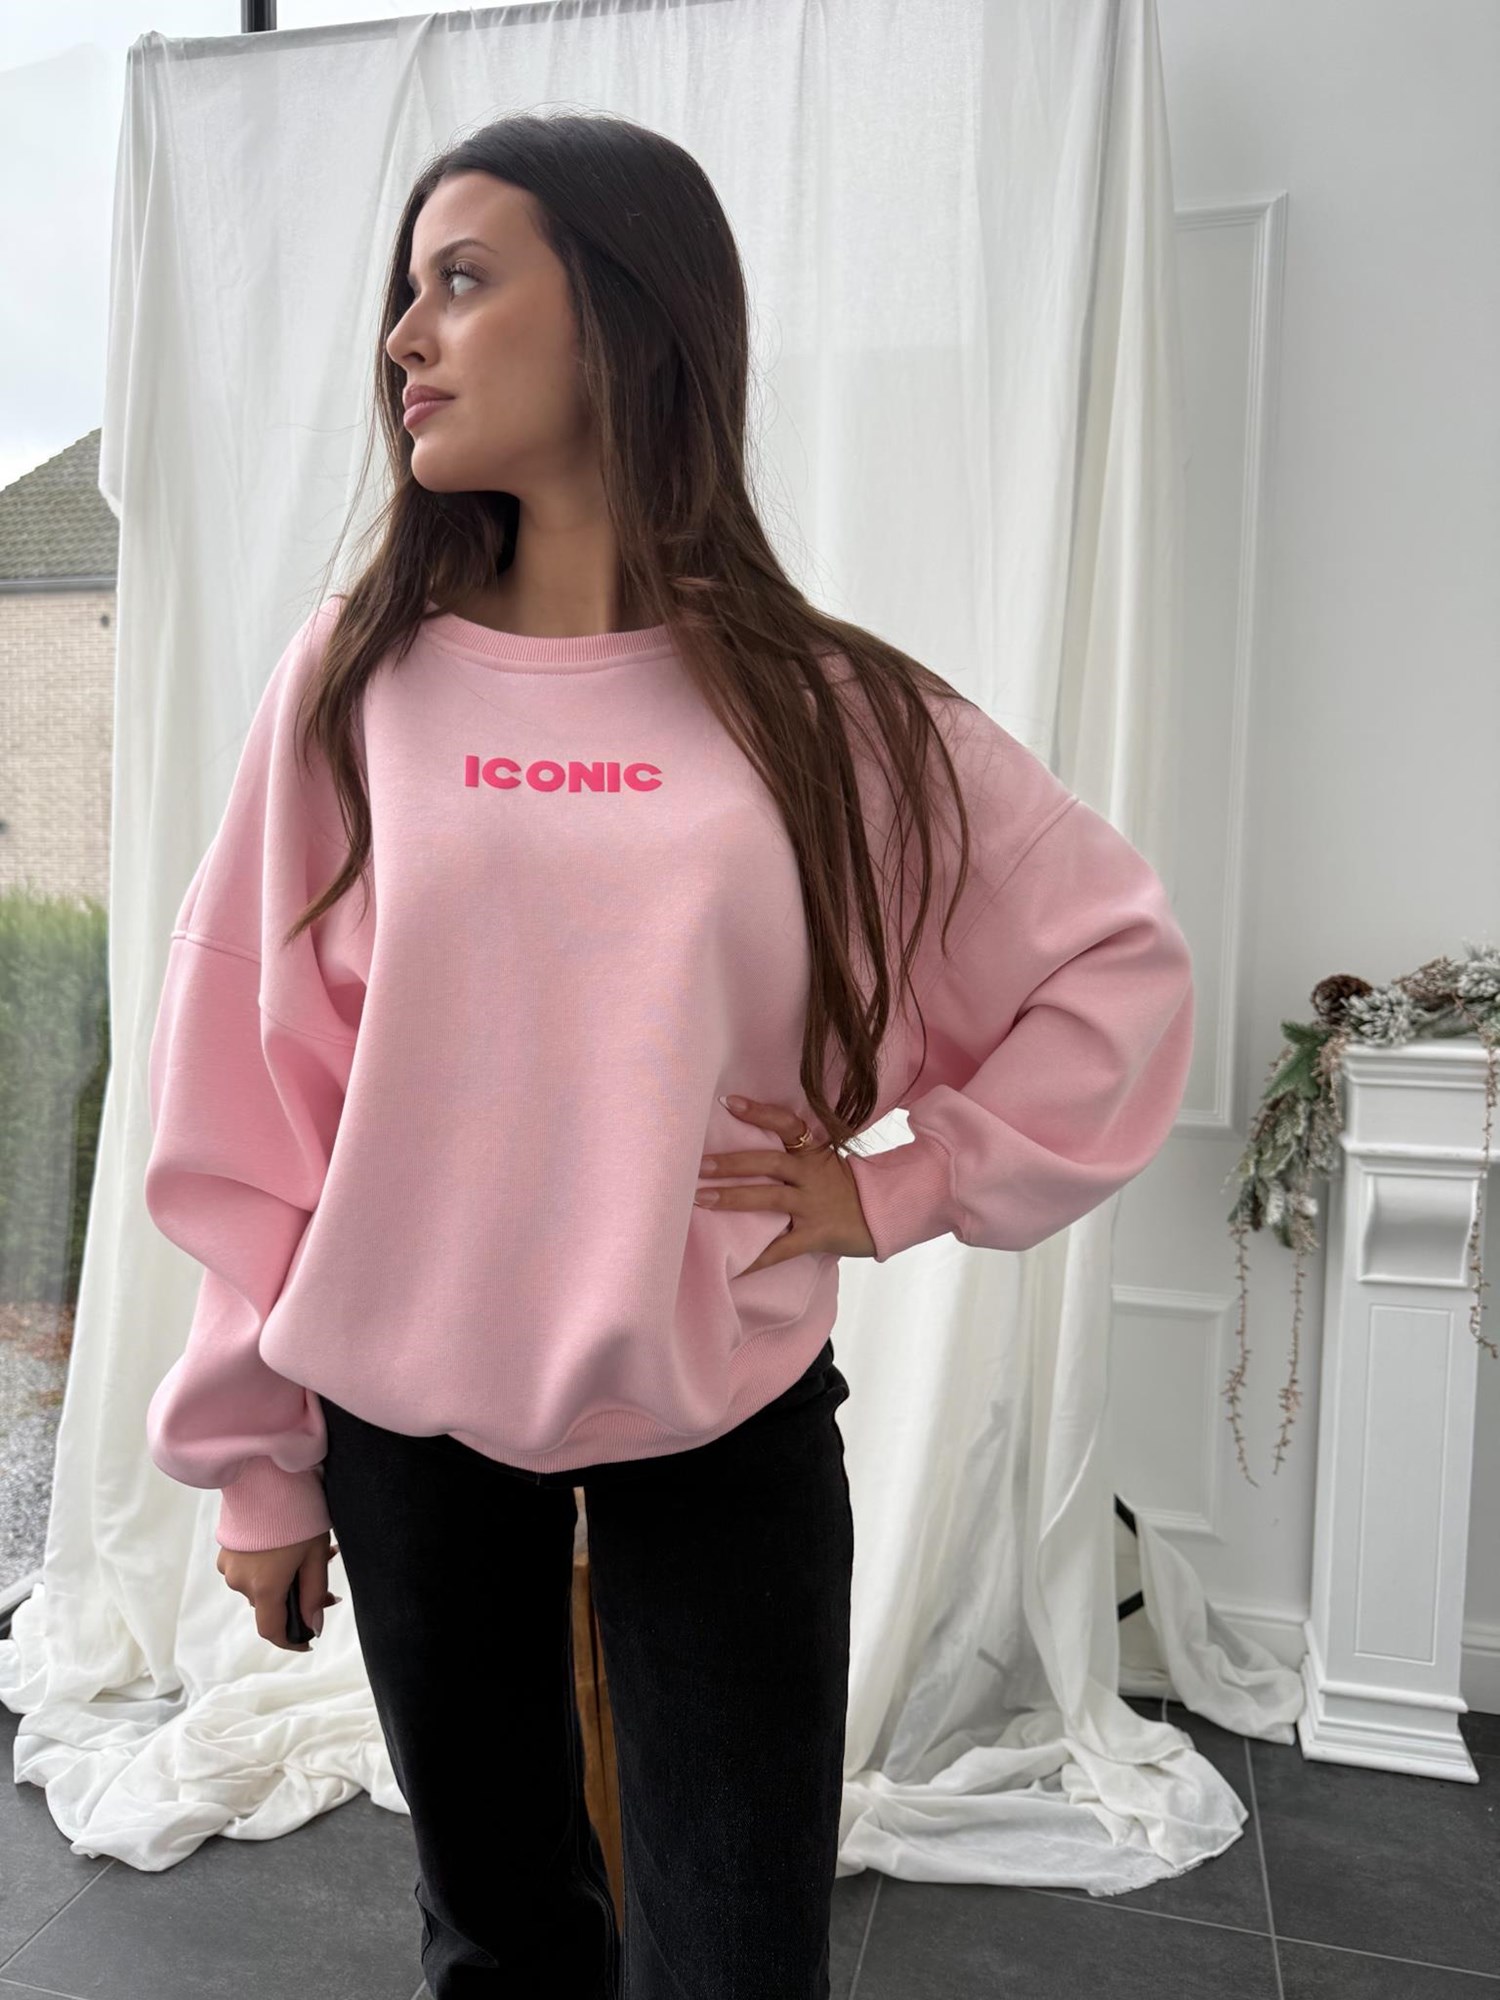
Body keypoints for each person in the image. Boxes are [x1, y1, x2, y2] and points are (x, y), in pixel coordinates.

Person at [142, 112, 1195, 2000]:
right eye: (404, 291)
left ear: (626, 315)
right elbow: (262, 1089)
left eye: (464, 281)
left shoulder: (825, 705)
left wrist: (898, 1187)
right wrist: (257, 1464)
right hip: (408, 1413)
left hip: (725, 1403)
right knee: (502, 1942)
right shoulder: (358, 676)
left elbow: (1113, 966)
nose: (404, 337)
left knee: (736, 1959)